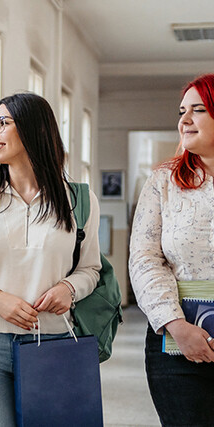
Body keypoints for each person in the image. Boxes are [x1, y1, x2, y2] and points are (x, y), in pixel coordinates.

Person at [0, 93, 101, 426]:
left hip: (53, 342)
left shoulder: (78, 200)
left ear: (34, 129)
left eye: (3, 123)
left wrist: (69, 288)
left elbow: (90, 268)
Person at [129, 73, 214, 426]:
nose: (184, 120)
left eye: (198, 109)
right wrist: (177, 325)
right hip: (176, 344)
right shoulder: (163, 181)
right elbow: (145, 258)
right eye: (182, 111)